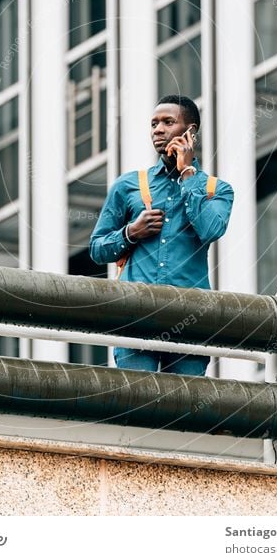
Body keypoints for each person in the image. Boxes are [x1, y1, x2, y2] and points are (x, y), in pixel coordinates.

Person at [89, 94, 234, 376]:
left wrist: (188, 174)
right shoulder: (128, 185)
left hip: (191, 317)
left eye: (168, 122)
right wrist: (131, 232)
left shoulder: (217, 189)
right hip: (135, 315)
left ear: (190, 131)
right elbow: (97, 249)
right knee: (137, 404)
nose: (158, 129)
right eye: (154, 123)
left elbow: (211, 230)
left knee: (184, 409)